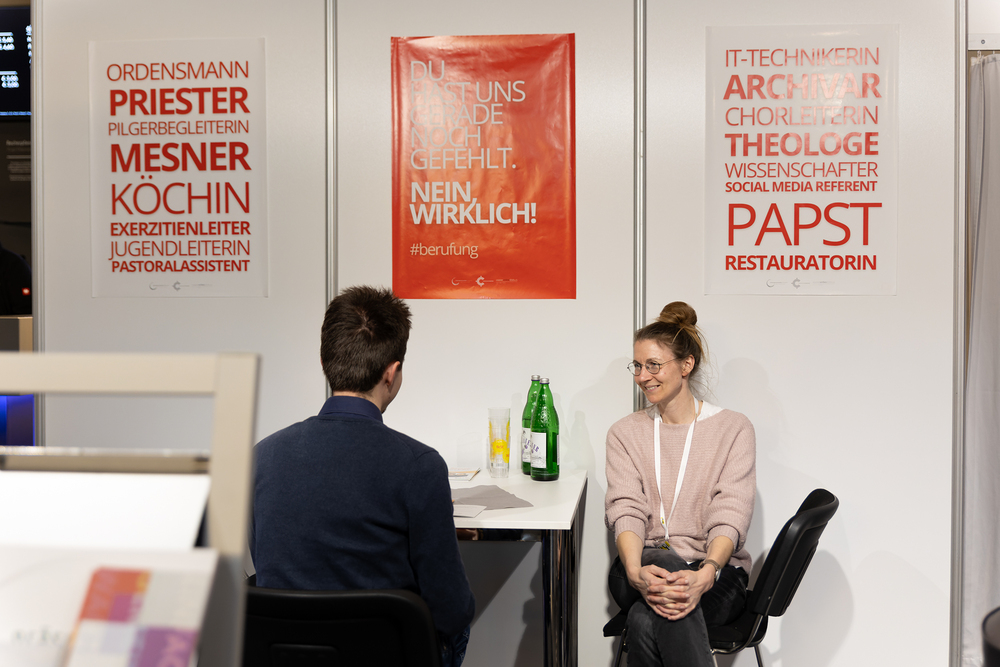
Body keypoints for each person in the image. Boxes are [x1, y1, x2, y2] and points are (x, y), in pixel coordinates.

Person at [250, 285, 475, 667]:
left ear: (324, 361)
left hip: (286, 654)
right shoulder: (419, 466)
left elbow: (268, 562)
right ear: (392, 372)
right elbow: (451, 609)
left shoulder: (262, 456)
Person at [604, 301, 756, 667]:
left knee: (644, 620)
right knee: (663, 562)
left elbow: (731, 512)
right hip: (642, 567)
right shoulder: (624, 433)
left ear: (686, 365)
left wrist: (707, 573)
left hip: (715, 575)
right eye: (637, 366)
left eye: (653, 365)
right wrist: (635, 571)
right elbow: (625, 509)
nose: (643, 376)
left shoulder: (733, 428)